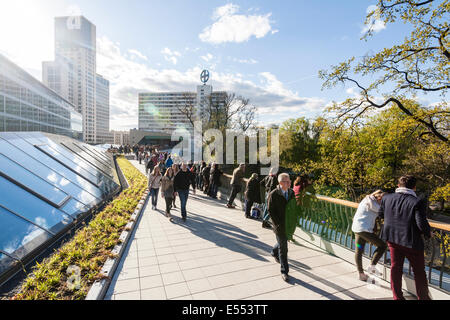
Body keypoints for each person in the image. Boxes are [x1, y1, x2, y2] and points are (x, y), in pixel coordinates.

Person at [379, 175, 432, 300]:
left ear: (398, 185)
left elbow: (381, 215)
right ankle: (423, 298)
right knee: (419, 272)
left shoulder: (386, 197)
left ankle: (397, 297)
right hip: (411, 242)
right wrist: (428, 233)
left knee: (395, 267)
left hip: (392, 238)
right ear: (414, 187)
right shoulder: (417, 201)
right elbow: (421, 224)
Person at [351, 190, 387, 281]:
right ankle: (372, 266)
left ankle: (361, 274)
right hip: (364, 230)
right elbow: (384, 213)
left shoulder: (367, 199)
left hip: (357, 227)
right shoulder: (376, 206)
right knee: (382, 246)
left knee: (359, 250)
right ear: (380, 199)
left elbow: (372, 195)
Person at [267, 173, 295, 282]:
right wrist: (277, 223)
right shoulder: (274, 194)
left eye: (289, 181)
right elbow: (270, 210)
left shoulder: (291, 192)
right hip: (279, 225)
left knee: (281, 244)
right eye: (286, 181)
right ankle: (284, 271)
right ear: (280, 183)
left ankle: (274, 252)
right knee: (284, 248)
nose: (289, 183)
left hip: (289, 225)